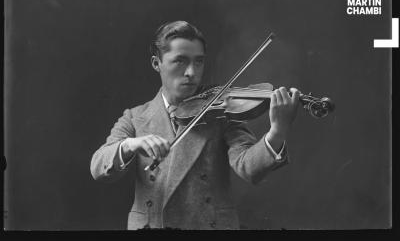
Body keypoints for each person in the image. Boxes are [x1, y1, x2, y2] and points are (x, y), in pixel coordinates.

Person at [90, 21, 300, 230]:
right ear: (156, 63)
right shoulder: (136, 117)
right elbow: (98, 167)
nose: (191, 72)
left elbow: (249, 168)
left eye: (198, 62)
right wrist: (129, 145)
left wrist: (277, 131)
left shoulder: (219, 110)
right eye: (180, 61)